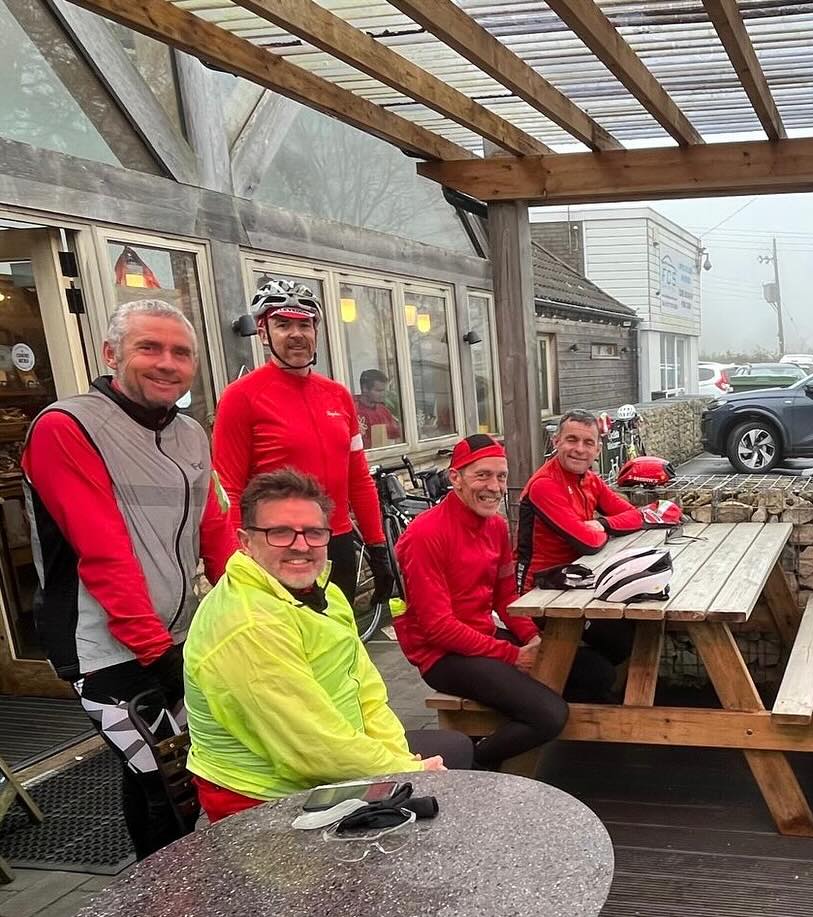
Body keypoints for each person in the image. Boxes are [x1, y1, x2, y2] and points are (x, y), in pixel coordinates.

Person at [21, 299, 236, 858]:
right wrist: (153, 650)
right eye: (149, 348)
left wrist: (250, 604)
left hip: (176, 632)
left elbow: (215, 529)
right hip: (104, 647)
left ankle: (166, 889)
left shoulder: (191, 432)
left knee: (167, 775)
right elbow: (103, 551)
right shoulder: (67, 427)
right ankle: (171, 894)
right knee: (171, 784)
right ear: (111, 354)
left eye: (180, 352)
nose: (167, 363)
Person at [184, 469, 474, 822]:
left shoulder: (324, 592)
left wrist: (400, 757)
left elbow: (366, 692)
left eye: (314, 533)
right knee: (448, 780)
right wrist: (403, 772)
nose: (300, 545)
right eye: (279, 532)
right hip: (265, 800)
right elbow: (310, 747)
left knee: (452, 754)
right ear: (246, 541)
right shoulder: (246, 624)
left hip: (325, 766)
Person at [395, 434, 621, 768]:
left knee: (597, 673)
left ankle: (504, 722)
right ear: (455, 477)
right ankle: (470, 766)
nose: (494, 486)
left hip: (482, 637)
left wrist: (534, 638)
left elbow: (506, 597)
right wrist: (514, 655)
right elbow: (438, 628)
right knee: (549, 715)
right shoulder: (423, 535)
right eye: (482, 475)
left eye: (501, 476)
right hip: (441, 656)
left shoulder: (497, 526)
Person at [211, 280, 393, 604]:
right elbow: (229, 489)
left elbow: (358, 478)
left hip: (336, 541)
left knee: (340, 644)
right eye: (283, 324)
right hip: (280, 546)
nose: (296, 334)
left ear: (316, 332)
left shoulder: (338, 395)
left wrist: (378, 545)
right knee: (289, 650)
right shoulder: (241, 397)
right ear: (264, 333)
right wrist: (240, 559)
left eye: (304, 325)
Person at [515, 410, 644, 674]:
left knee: (629, 632)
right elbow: (588, 543)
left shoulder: (590, 480)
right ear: (556, 442)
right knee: (613, 647)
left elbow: (634, 516)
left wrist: (603, 524)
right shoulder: (544, 484)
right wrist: (600, 531)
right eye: (571, 440)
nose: (579, 449)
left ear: (598, 449)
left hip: (576, 583)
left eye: (588, 443)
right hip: (540, 594)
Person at [355, 369, 402, 447]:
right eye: (379, 391)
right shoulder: (353, 409)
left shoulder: (383, 410)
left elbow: (397, 436)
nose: (383, 394)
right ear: (365, 389)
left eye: (384, 390)